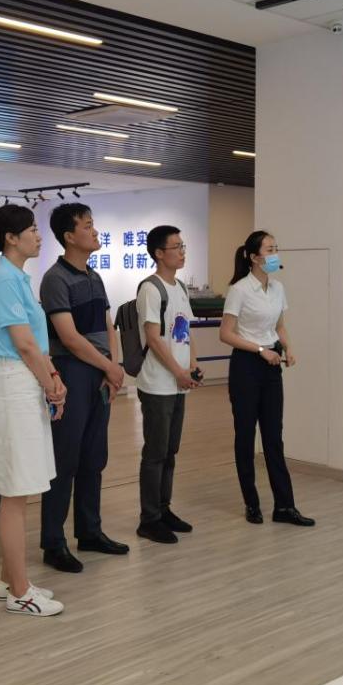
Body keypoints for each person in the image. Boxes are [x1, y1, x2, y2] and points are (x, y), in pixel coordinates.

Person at [0, 204, 65, 616]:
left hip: (26, 381)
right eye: (32, 230)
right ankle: (19, 592)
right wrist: (50, 384)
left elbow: (35, 344)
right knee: (13, 493)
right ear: (11, 238)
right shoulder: (3, 279)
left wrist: (51, 378)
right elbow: (24, 344)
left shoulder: (16, 278)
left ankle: (9, 579)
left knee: (22, 487)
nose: (38, 236)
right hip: (14, 383)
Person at [39, 203, 128, 573]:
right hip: (73, 371)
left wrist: (113, 366)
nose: (95, 231)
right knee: (65, 459)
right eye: (88, 226)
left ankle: (90, 531)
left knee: (94, 456)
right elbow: (70, 338)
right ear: (69, 236)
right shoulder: (55, 279)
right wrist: (108, 366)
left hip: (100, 372)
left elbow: (107, 324)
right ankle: (53, 542)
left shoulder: (94, 276)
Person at [219, 231, 314, 527]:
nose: (275, 255)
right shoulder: (239, 290)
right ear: (254, 257)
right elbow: (226, 334)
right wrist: (261, 350)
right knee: (246, 436)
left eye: (276, 249)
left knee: (274, 437)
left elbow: (280, 325)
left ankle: (285, 506)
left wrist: (288, 348)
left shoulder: (277, 288)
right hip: (246, 365)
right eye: (269, 250)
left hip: (272, 366)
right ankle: (252, 503)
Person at [135, 225, 200, 544]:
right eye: (176, 247)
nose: (182, 252)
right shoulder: (151, 288)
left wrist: (193, 364)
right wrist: (177, 371)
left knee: (170, 451)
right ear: (159, 253)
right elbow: (153, 337)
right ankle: (149, 519)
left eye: (183, 246)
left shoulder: (181, 287)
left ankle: (164, 509)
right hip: (158, 384)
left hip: (177, 382)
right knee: (156, 452)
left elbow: (184, 331)